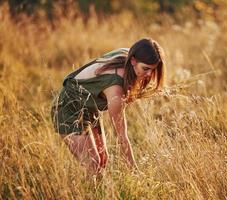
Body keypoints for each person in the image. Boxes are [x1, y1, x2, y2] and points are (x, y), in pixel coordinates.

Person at [51, 38, 165, 175]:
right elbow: (121, 137)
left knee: (103, 160)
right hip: (67, 108)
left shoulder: (127, 54)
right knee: (93, 164)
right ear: (133, 60)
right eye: (145, 69)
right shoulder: (115, 91)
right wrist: (135, 172)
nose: (149, 75)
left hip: (88, 108)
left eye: (153, 70)